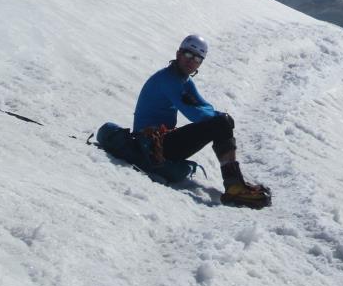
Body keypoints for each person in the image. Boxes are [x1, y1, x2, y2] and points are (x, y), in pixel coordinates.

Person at [112, 34, 271, 208]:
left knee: (220, 122)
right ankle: (234, 187)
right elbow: (195, 114)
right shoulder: (168, 80)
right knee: (220, 123)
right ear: (179, 53)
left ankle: (235, 185)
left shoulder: (182, 80)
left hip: (157, 143)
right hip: (152, 145)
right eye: (188, 55)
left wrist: (220, 117)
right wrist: (221, 120)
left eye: (197, 58)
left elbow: (204, 106)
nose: (191, 61)